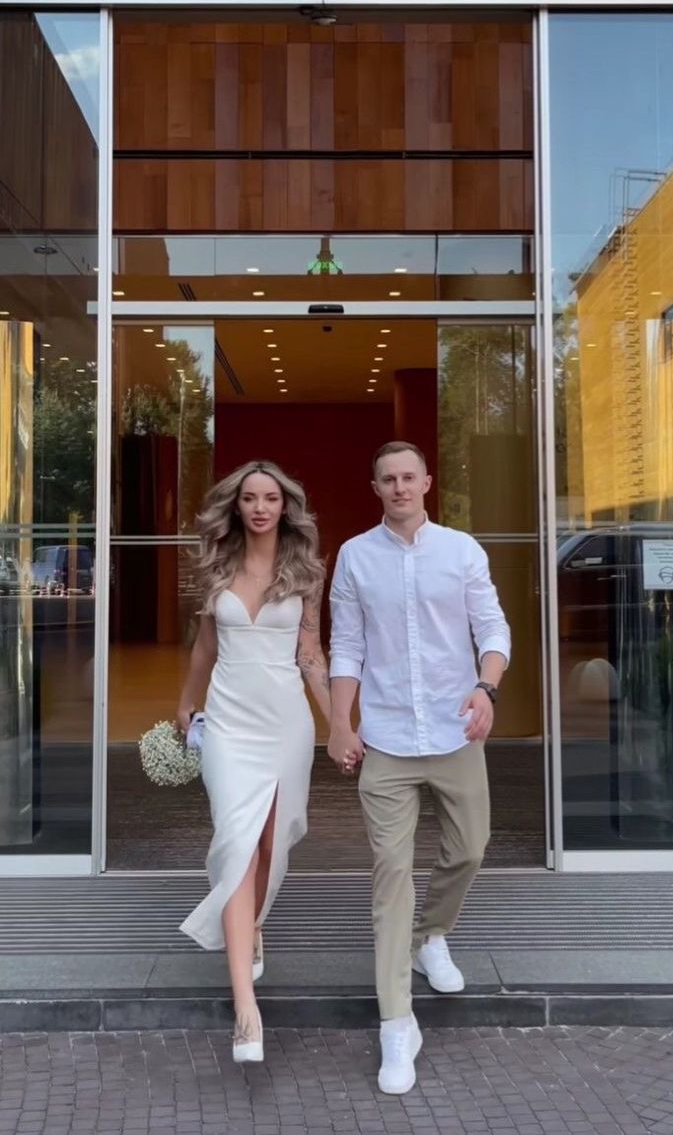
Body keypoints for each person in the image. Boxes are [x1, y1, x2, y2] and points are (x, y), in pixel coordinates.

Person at [328, 441, 510, 1095]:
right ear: (375, 487)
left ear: (426, 481)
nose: (400, 487)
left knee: (470, 850)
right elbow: (345, 645)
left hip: (456, 730)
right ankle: (397, 1025)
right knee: (390, 878)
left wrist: (485, 690)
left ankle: (433, 934)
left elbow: (493, 630)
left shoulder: (461, 550)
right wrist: (340, 723)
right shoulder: (354, 556)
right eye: (388, 479)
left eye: (410, 476)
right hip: (387, 741)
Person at [177, 461, 329, 1064]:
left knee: (269, 844)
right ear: (236, 506)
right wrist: (185, 704)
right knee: (237, 843)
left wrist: (342, 721)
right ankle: (246, 1009)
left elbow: (312, 654)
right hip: (229, 724)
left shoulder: (307, 572)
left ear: (285, 507)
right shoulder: (216, 566)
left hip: (286, 723)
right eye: (249, 498)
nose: (260, 507)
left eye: (270, 498)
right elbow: (206, 646)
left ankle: (255, 922)